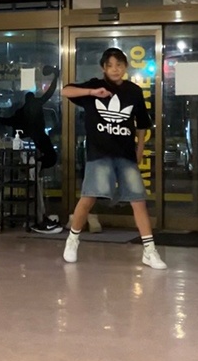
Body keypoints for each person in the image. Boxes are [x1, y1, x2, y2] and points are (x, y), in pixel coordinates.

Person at [60, 48, 166, 269]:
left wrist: (140, 149)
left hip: (126, 153)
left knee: (138, 201)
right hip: (99, 152)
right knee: (89, 197)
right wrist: (92, 93)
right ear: (103, 68)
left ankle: (149, 251)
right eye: (110, 65)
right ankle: (72, 240)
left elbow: (142, 124)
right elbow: (65, 91)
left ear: (125, 67)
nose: (115, 69)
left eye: (119, 65)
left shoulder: (134, 91)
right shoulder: (95, 86)